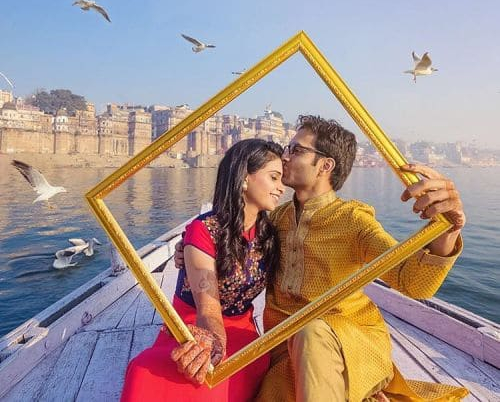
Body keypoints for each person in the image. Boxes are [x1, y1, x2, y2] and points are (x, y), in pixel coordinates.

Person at [174, 115, 468, 402]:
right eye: (288, 149)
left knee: (310, 330)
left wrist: (447, 231)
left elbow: (414, 283)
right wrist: (187, 247)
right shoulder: (275, 219)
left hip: (349, 341)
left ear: (325, 165)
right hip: (285, 352)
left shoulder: (354, 220)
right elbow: (222, 238)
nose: (285, 157)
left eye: (296, 150)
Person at [121, 138, 285, 402]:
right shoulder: (204, 230)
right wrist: (214, 346)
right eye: (274, 178)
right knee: (148, 372)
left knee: (224, 383)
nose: (281, 187)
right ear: (244, 178)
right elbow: (207, 309)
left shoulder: (272, 233)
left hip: (242, 330)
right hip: (191, 326)